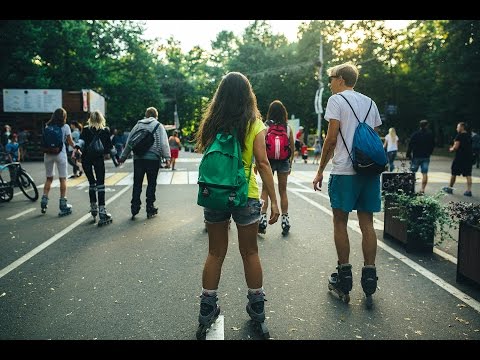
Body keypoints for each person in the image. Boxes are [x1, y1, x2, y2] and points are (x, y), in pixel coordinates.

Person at [194, 72, 280, 336]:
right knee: (250, 252)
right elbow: (263, 163)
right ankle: (257, 309)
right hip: (246, 194)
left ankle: (207, 308)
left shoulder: (211, 123)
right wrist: (274, 201)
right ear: (248, 94)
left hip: (216, 192)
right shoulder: (254, 123)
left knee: (215, 252)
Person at [312, 62, 382, 306]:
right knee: (367, 223)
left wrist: (320, 170)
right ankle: (370, 277)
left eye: (331, 78)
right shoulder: (371, 103)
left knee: (340, 221)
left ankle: (344, 276)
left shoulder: (337, 101)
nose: (330, 82)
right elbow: (372, 137)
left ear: (341, 79)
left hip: (344, 170)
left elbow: (331, 139)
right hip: (369, 172)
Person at [119, 107, 171, 219]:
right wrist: (167, 158)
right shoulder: (158, 126)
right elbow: (164, 143)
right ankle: (150, 207)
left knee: (137, 183)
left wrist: (123, 156)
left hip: (138, 158)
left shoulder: (137, 125)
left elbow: (130, 142)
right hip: (153, 159)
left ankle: (135, 207)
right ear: (156, 116)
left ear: (146, 115)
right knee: (151, 183)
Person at [258, 100, 294, 235]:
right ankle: (285, 220)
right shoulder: (288, 127)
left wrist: (258, 163)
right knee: (283, 191)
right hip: (284, 161)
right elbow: (291, 147)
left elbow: (260, 146)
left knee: (266, 190)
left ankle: (262, 218)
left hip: (268, 161)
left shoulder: (266, 126)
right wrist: (290, 164)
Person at [75, 110, 115, 225]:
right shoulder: (104, 131)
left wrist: (77, 148)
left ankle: (93, 208)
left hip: (86, 159)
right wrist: (118, 159)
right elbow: (110, 148)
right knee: (101, 185)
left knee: (92, 183)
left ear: (90, 118)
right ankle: (102, 212)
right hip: (98, 159)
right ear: (101, 118)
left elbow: (81, 142)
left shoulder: (86, 129)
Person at [40, 108, 76, 216]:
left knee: (49, 178)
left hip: (48, 154)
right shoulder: (65, 127)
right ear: (64, 116)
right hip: (60, 154)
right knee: (62, 179)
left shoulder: (47, 126)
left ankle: (44, 200)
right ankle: (63, 205)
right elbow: (70, 142)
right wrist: (76, 147)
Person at [443, 122, 473, 197]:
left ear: (462, 127)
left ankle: (450, 188)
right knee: (468, 174)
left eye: (458, 127)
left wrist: (451, 149)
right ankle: (469, 191)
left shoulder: (459, 136)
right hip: (468, 157)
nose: (457, 129)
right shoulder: (470, 136)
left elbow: (455, 147)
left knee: (454, 172)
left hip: (459, 157)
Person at [406, 120, 435, 194]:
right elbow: (433, 145)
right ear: (427, 125)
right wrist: (429, 153)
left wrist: (408, 154)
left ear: (420, 125)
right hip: (426, 156)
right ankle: (422, 189)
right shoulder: (430, 134)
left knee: (412, 173)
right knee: (425, 173)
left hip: (416, 156)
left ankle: (411, 189)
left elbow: (410, 145)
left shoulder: (415, 134)